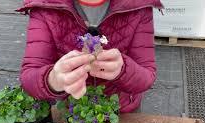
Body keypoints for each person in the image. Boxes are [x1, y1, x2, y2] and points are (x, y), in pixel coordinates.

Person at [17, 0, 163, 113]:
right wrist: (53, 79)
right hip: (75, 112)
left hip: (124, 110)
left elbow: (147, 76)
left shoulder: (138, 5)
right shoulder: (45, 5)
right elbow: (29, 77)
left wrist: (123, 69)